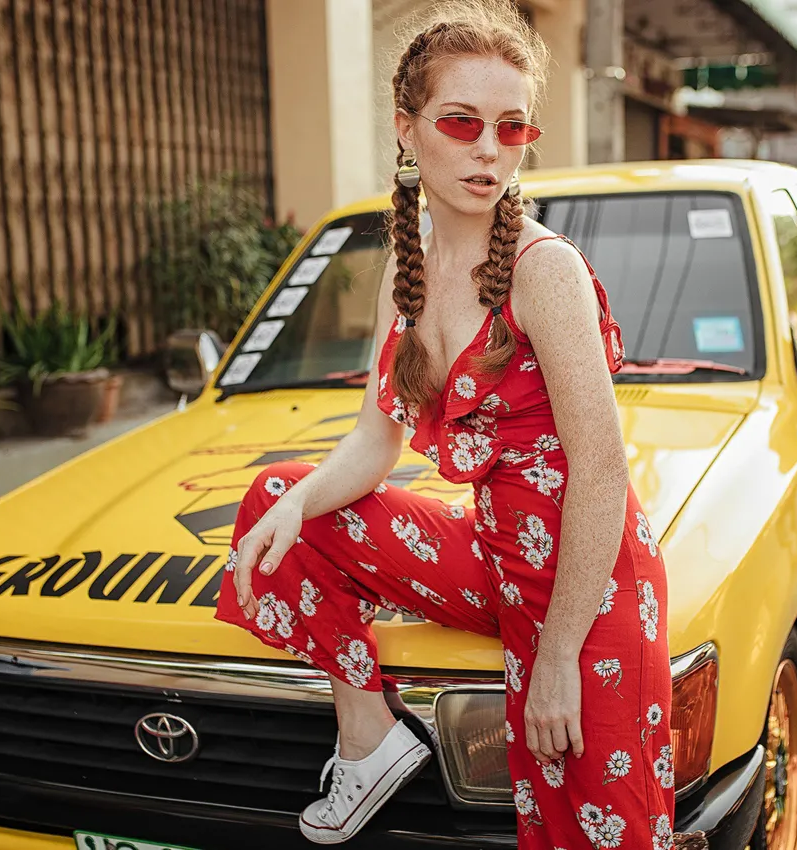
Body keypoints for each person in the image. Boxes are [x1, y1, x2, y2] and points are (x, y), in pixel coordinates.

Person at [213, 2, 673, 848]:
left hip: (590, 584)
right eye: (462, 122)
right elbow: (372, 443)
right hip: (496, 557)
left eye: (511, 127)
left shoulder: (546, 270)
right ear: (408, 128)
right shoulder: (406, 267)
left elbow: (602, 473)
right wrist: (298, 503)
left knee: (590, 831)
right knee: (279, 497)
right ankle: (369, 736)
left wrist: (559, 658)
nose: (488, 149)